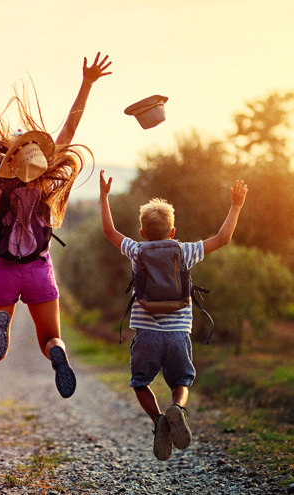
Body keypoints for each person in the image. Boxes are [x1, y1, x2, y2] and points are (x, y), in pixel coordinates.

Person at [0, 47, 112, 399]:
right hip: (38, 270)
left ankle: (2, 324)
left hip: (2, 268)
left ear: (6, 156)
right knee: (50, 337)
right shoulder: (47, 181)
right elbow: (70, 126)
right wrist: (87, 83)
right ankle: (58, 354)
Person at [99, 170, 248, 460]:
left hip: (146, 335)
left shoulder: (136, 250)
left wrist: (104, 197)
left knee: (140, 382)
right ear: (172, 231)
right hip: (178, 333)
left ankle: (158, 420)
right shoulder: (185, 251)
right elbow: (223, 237)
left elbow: (109, 231)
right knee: (181, 381)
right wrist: (236, 205)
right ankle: (177, 408)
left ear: (142, 233)